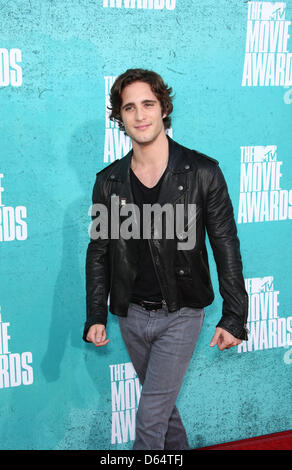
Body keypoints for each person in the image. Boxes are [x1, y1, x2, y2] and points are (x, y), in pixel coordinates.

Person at [83, 68, 248, 450]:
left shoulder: (202, 172)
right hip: (130, 316)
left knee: (150, 419)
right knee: (164, 413)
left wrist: (235, 316)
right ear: (119, 117)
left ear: (163, 108)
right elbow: (100, 252)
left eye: (148, 104)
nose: (140, 115)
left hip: (181, 313)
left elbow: (226, 246)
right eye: (129, 107)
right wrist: (95, 314)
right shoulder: (108, 181)